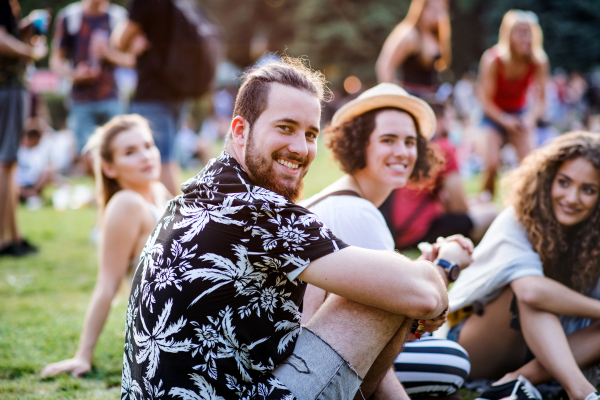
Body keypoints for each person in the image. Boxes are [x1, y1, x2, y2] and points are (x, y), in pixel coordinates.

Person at [120, 57, 461, 400]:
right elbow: (422, 294)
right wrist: (441, 268)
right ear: (240, 131)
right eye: (285, 128)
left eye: (310, 134)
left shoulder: (197, 195)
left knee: (378, 282)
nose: (300, 148)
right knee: (386, 292)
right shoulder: (258, 209)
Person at [301, 83, 472, 398]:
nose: (402, 152)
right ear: (359, 145)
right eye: (388, 140)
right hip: (316, 361)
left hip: (318, 350)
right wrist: (445, 268)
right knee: (451, 360)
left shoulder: (348, 201)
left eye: (410, 142)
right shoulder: (357, 212)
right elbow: (380, 321)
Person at [447, 131, 600, 400]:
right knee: (529, 294)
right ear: (547, 178)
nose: (572, 197)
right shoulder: (518, 219)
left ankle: (519, 380)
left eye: (588, 190)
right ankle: (583, 393)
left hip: (550, 351)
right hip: (476, 344)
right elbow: (531, 291)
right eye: (564, 182)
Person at [41, 114, 170, 378]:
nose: (145, 156)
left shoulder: (158, 192)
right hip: (164, 326)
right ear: (110, 168)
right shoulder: (126, 204)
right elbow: (107, 284)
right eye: (130, 152)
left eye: (148, 146)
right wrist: (83, 355)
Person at [380, 102, 498, 249]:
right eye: (450, 120)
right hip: (419, 232)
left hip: (393, 232)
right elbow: (459, 207)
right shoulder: (443, 147)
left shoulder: (411, 147)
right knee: (492, 213)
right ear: (439, 120)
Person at [111, 0, 190, 194]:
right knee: (169, 158)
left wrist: (133, 35)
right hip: (178, 89)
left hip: (153, 92)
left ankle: (178, 220)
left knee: (161, 162)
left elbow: (119, 40)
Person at [51, 0, 133, 167]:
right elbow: (56, 60)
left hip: (112, 97)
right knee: (87, 156)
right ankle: (101, 190)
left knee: (118, 150)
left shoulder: (118, 18)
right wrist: (74, 74)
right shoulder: (69, 17)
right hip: (80, 99)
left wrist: (108, 54)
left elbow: (132, 60)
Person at [477, 10, 549, 197]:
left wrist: (530, 118)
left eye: (529, 32)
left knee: (531, 163)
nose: (526, 38)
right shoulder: (493, 60)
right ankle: (486, 202)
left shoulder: (538, 61)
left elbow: (541, 101)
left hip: (520, 114)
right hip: (494, 116)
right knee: (492, 163)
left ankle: (526, 202)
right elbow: (484, 100)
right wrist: (504, 119)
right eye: (520, 32)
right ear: (509, 35)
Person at [0, 0, 48, 256]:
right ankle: (3, 240)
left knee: (9, 162)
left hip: (9, 85)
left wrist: (22, 28)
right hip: (6, 85)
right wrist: (30, 52)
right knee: (5, 162)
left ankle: (13, 236)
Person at [376, 0, 451, 98]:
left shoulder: (435, 35)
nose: (438, 16)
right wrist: (393, 97)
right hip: (412, 97)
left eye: (442, 11)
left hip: (431, 97)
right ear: (422, 9)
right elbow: (384, 67)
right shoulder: (410, 35)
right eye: (434, 10)